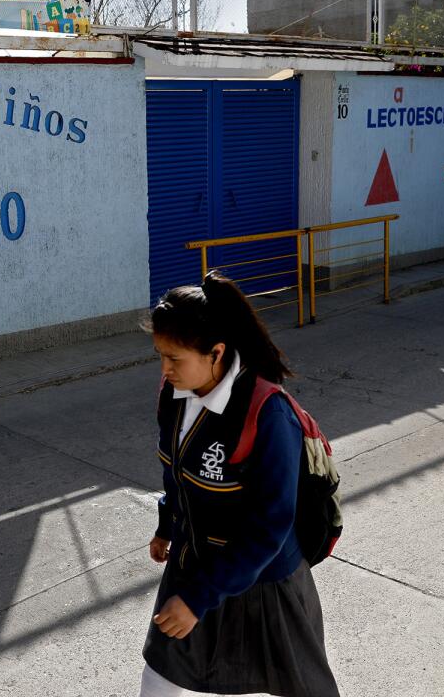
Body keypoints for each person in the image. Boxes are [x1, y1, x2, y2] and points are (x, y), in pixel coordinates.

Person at [140, 271, 339, 697]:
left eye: (175, 358)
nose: (165, 369)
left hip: (265, 579)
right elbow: (175, 470)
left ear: (216, 353)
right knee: (158, 674)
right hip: (195, 563)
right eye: (160, 355)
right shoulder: (173, 395)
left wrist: (197, 598)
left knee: (299, 689)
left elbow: (270, 526)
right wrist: (165, 524)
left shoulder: (267, 413)